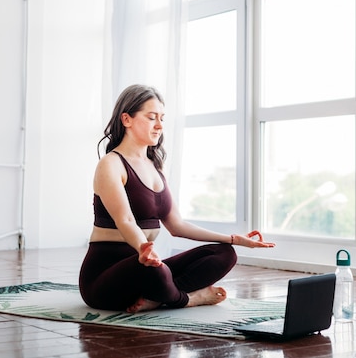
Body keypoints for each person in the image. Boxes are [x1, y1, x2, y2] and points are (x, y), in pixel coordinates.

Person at [79, 84, 275, 313]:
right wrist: (143, 248)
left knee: (224, 254)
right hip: (104, 279)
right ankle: (187, 299)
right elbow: (126, 221)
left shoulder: (155, 168)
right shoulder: (111, 164)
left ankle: (158, 297)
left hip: (145, 264)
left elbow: (177, 225)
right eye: (152, 118)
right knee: (156, 270)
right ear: (126, 119)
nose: (160, 126)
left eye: (161, 118)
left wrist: (234, 239)